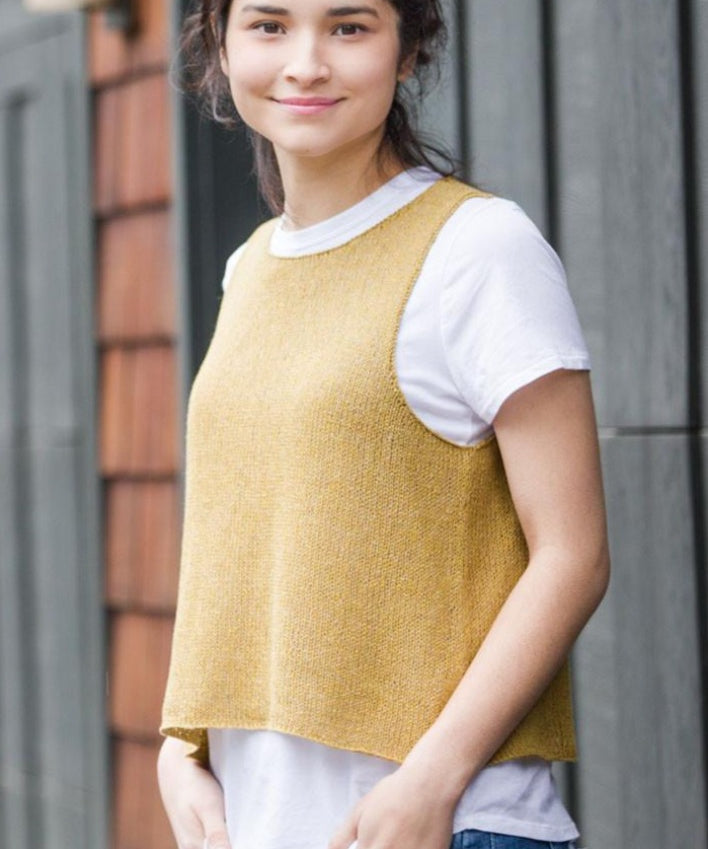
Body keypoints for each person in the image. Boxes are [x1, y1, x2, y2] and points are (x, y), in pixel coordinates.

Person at [157, 2, 610, 849]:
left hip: (442, 822)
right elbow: (251, 532)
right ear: (219, 46)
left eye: (350, 27)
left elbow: (573, 554)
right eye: (268, 26)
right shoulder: (248, 271)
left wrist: (434, 779)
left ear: (409, 54)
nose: (305, 63)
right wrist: (180, 744)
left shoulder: (479, 248)